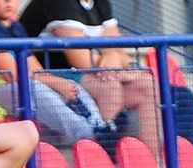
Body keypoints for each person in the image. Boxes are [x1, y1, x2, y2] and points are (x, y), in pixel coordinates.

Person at [20, 0, 160, 156]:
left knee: (146, 84)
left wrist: (113, 55)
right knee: (108, 86)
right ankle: (106, 160)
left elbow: (119, 51)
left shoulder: (101, 3)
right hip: (54, 77)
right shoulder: (58, 3)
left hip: (91, 74)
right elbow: (82, 61)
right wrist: (112, 57)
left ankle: (153, 163)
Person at [0, 0, 112, 146]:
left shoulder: (16, 27)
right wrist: (55, 82)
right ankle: (86, 135)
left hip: (14, 88)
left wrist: (60, 83)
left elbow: (36, 69)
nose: (8, 2)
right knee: (34, 87)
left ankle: (99, 126)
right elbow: (14, 75)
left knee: (69, 84)